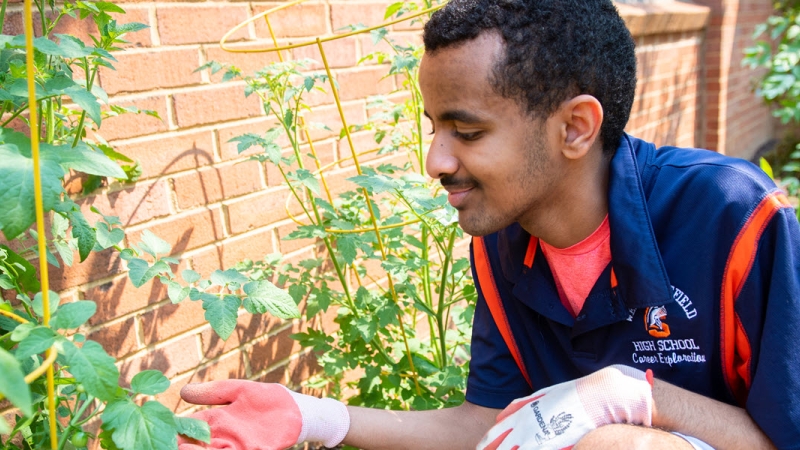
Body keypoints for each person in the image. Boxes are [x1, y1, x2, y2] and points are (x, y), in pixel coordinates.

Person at [177, 0, 800, 449]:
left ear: (575, 127)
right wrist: (316, 417)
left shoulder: (733, 217)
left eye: (468, 132)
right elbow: (490, 423)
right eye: (434, 129)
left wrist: (636, 397)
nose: (435, 162)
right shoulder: (503, 239)